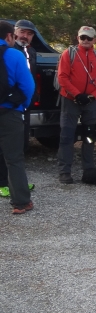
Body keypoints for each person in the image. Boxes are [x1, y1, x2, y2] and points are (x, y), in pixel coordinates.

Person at [56, 26, 96, 184]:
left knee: (89, 136)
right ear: (78, 38)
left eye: (89, 38)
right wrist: (77, 94)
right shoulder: (69, 54)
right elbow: (62, 77)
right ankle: (64, 171)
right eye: (82, 37)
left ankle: (89, 170)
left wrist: (94, 96)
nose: (85, 40)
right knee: (67, 136)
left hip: (91, 102)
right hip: (70, 100)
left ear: (94, 40)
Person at [0, 20, 35, 214]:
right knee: (13, 158)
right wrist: (21, 105)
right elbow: (28, 86)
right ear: (8, 36)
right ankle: (21, 202)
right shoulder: (14, 55)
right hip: (9, 113)